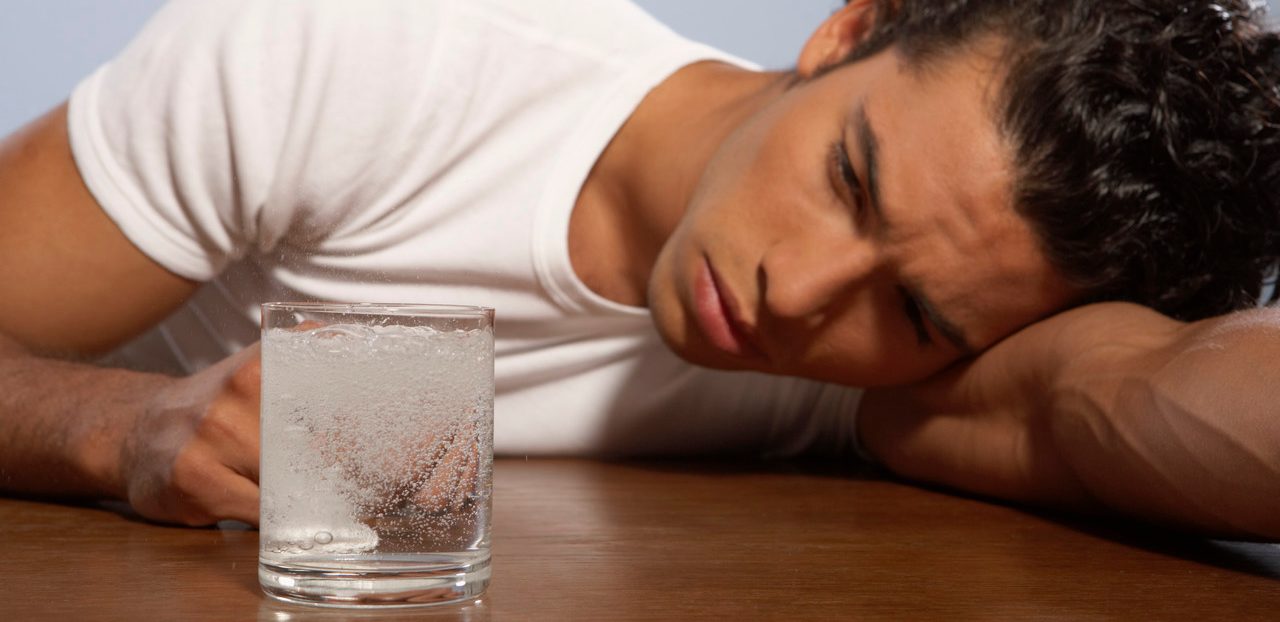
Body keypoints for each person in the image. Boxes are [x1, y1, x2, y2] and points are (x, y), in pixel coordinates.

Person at [1, 0, 1277, 538]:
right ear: (848, 32)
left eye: (910, 307)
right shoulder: (369, 53)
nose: (802, 290)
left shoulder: (897, 369)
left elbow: (1145, 385)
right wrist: (121, 430)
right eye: (849, 177)